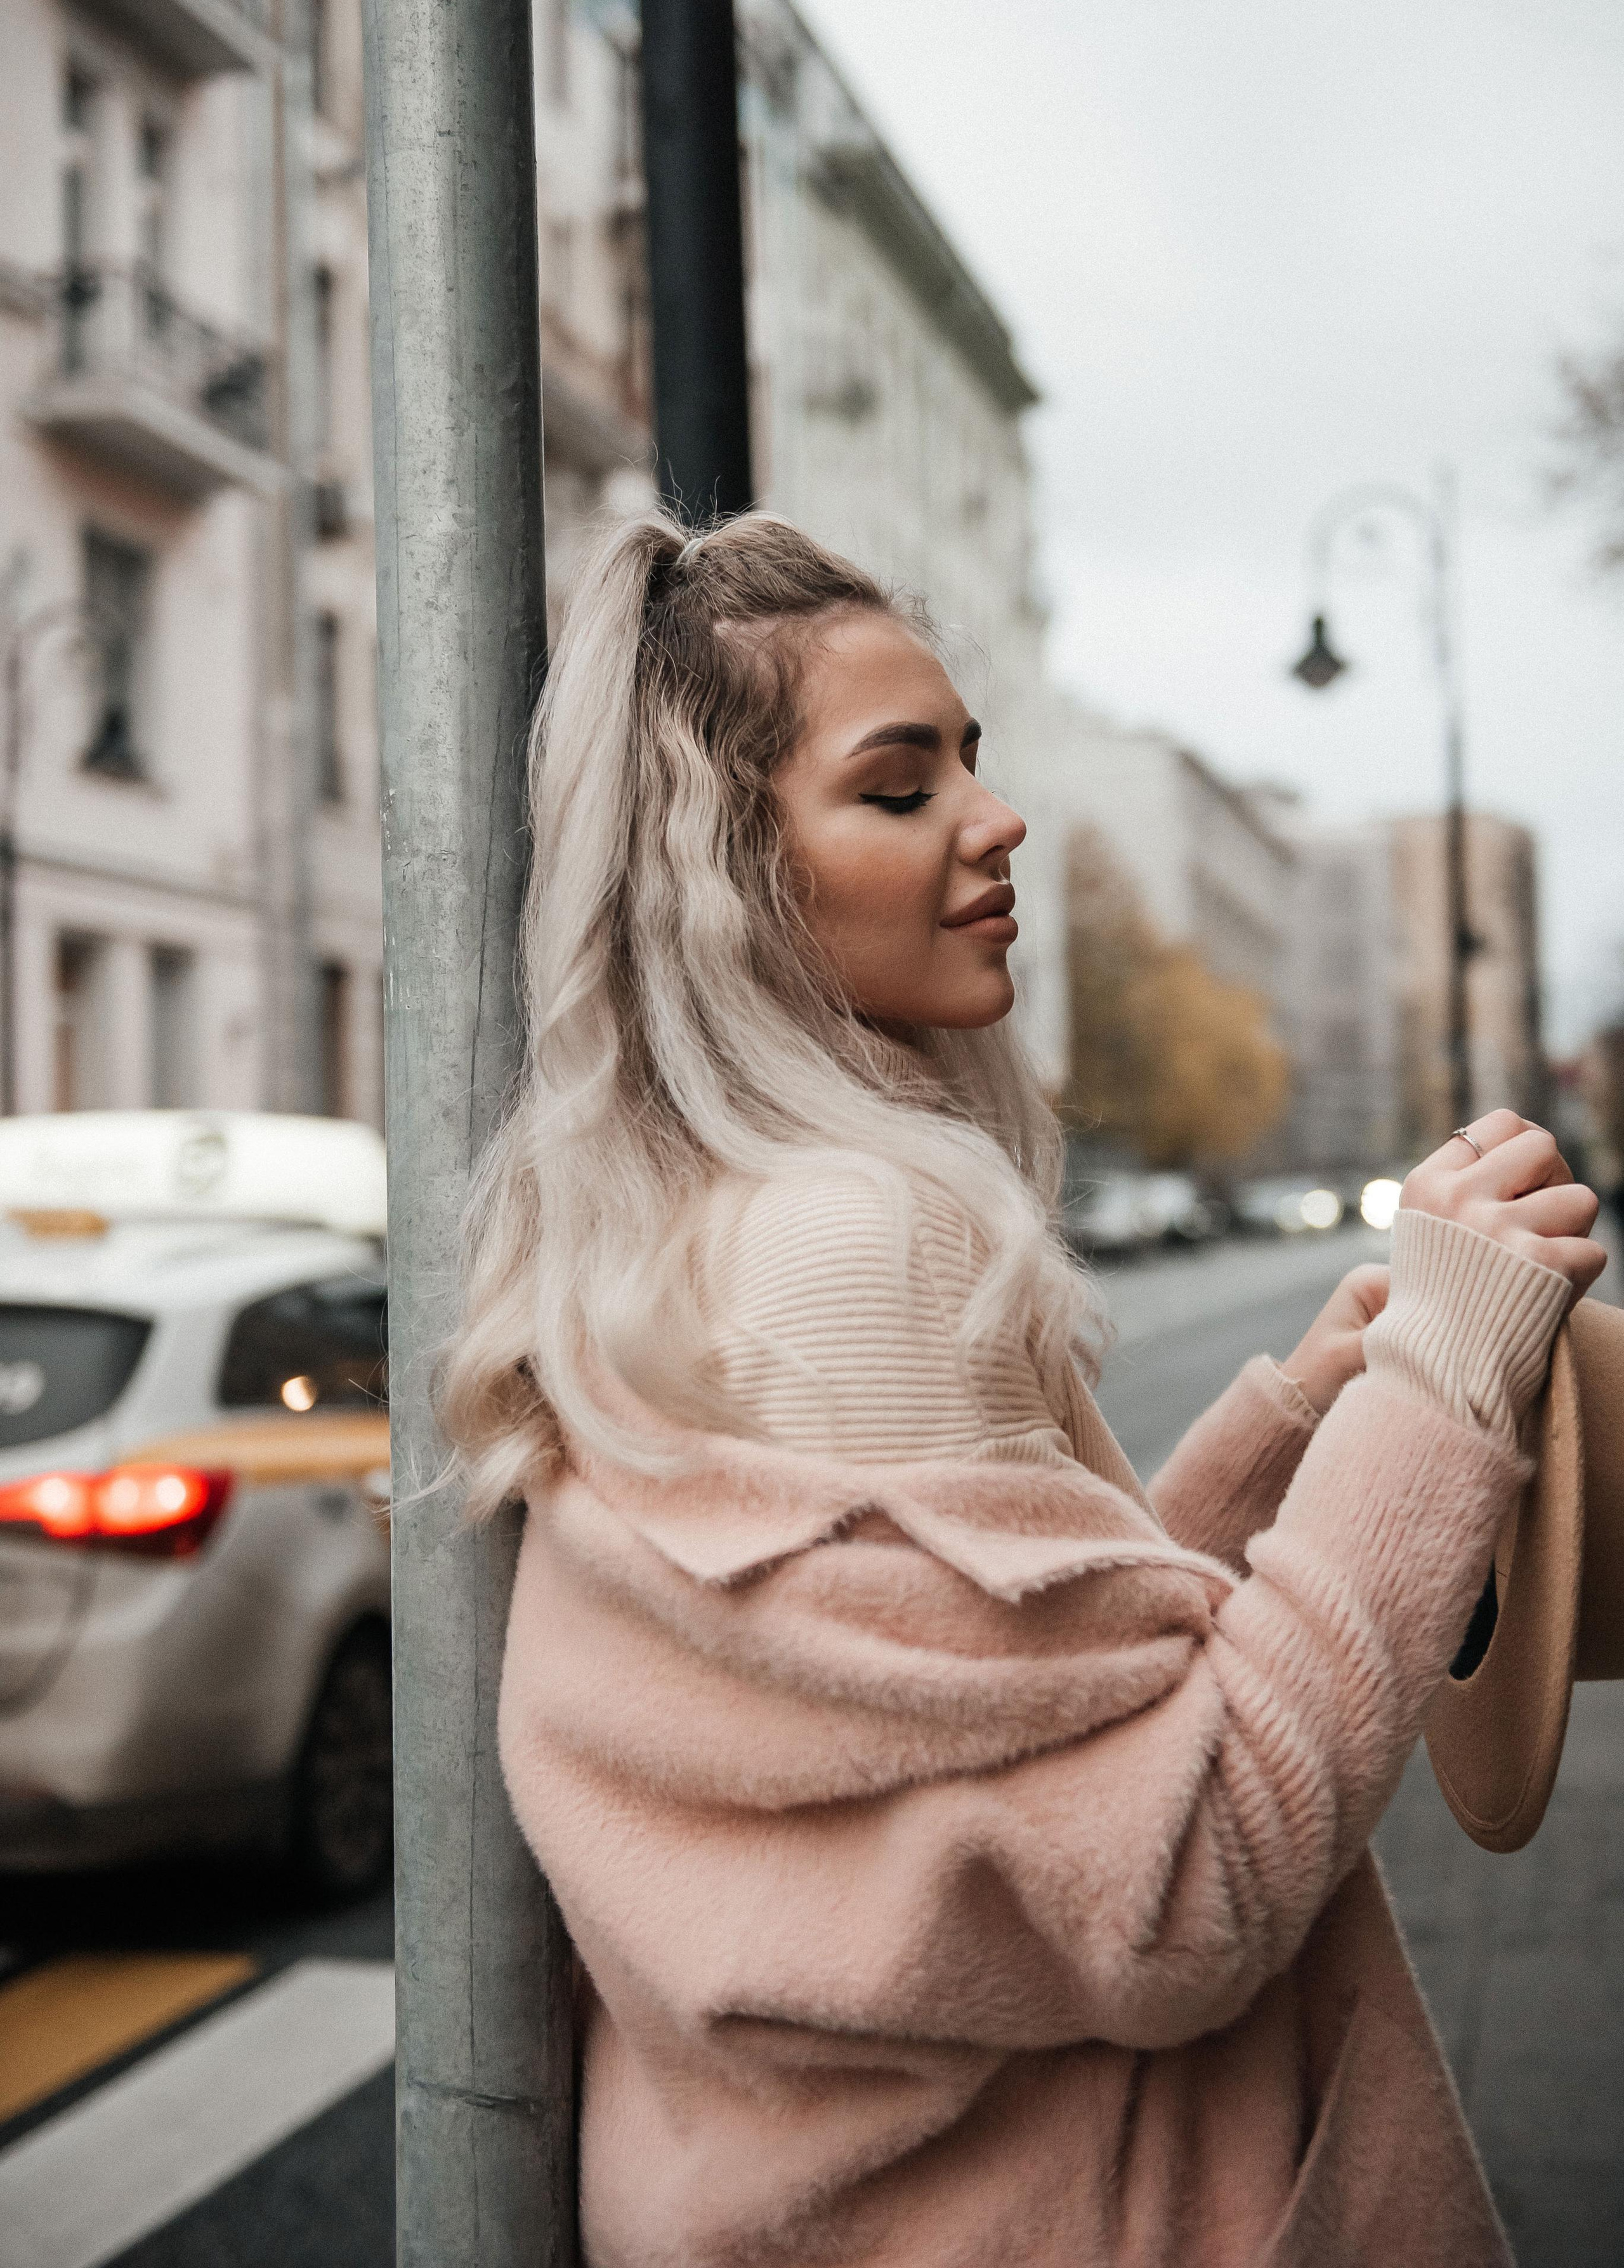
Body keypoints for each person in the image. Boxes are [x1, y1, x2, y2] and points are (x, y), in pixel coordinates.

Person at [443, 510, 1605, 2268]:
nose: (999, 820)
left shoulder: (681, 1236)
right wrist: (1442, 1374)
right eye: (899, 790)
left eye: (970, 764)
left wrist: (1302, 1424)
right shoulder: (854, 1240)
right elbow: (1175, 1877)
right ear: (723, 868)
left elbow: (987, 1705)